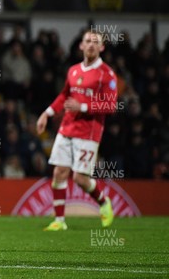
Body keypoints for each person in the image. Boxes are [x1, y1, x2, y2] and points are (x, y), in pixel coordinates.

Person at [37, 30, 117, 231]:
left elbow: (111, 105)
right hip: (67, 127)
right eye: (88, 41)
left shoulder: (106, 74)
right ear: (81, 45)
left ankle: (103, 202)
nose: (91, 45)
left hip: (89, 132)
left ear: (102, 47)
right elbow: (65, 95)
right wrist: (46, 113)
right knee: (59, 172)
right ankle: (60, 221)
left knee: (80, 178)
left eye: (95, 42)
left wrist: (83, 107)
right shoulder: (73, 70)